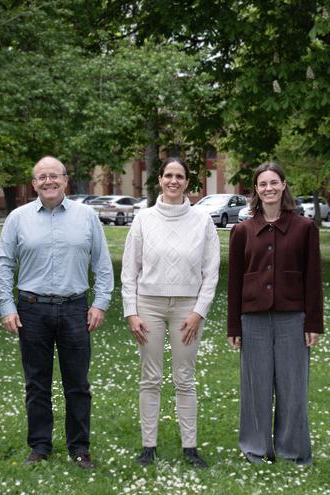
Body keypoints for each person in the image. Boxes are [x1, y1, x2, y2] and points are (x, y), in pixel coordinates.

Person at [0, 156, 114, 469]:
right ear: (34, 183)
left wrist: (100, 303)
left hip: (75, 309)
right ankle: (40, 446)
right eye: (41, 177)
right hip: (31, 310)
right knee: (36, 384)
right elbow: (4, 263)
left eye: (54, 176)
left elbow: (101, 264)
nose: (48, 181)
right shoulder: (18, 218)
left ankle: (79, 448)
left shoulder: (86, 216)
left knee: (77, 384)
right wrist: (6, 305)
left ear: (65, 180)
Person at [121, 159, 220, 468]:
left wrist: (198, 312)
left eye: (179, 176)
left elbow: (211, 272)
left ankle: (190, 447)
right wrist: (131, 312)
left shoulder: (202, 221)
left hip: (187, 309)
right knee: (150, 378)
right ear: (160, 180)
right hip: (148, 305)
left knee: (184, 379)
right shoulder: (143, 220)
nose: (173, 181)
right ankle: (148, 446)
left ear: (187, 182)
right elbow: (129, 271)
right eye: (168, 175)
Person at [227, 162, 323, 465]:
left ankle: (293, 452)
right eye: (262, 184)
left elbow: (313, 278)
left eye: (274, 183)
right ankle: (256, 450)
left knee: (293, 387)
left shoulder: (304, 228)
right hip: (252, 318)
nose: (268, 188)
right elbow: (234, 282)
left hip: (292, 318)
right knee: (255, 387)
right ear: (256, 190)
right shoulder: (243, 231)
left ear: (284, 185)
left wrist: (314, 322)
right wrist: (234, 327)